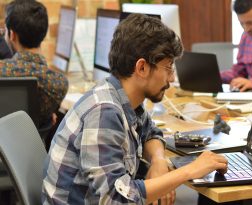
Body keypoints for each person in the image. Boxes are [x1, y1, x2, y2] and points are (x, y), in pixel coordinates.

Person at [42, 13, 228, 205]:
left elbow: (150, 131)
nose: (172, 79)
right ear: (141, 68)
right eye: (168, 68)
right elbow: (115, 200)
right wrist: (189, 171)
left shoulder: (121, 97)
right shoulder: (104, 112)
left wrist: (158, 160)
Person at [0, 0, 68, 128]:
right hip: (36, 147)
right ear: (44, 32)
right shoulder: (58, 83)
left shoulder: (2, 70)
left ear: (12, 35)